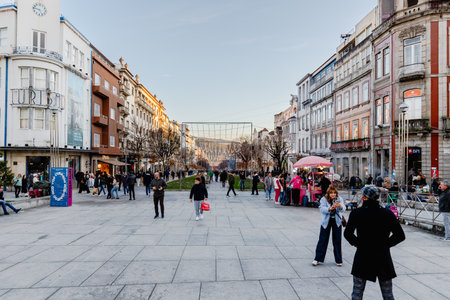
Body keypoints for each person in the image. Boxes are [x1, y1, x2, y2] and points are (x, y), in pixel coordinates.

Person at [344, 185, 406, 300]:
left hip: (363, 255)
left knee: (357, 292)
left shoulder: (357, 213)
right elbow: (400, 236)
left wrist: (359, 244)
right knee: (388, 294)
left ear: (364, 197)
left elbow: (347, 234)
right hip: (383, 256)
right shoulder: (387, 214)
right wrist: (386, 244)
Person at [312, 186, 345, 267]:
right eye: (331, 193)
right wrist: (330, 208)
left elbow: (343, 209)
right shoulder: (324, 199)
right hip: (326, 221)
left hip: (336, 222)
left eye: (334, 193)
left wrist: (340, 206)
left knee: (337, 240)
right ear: (328, 193)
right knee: (322, 240)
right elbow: (321, 209)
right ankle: (317, 259)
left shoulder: (339, 198)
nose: (333, 194)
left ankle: (338, 260)